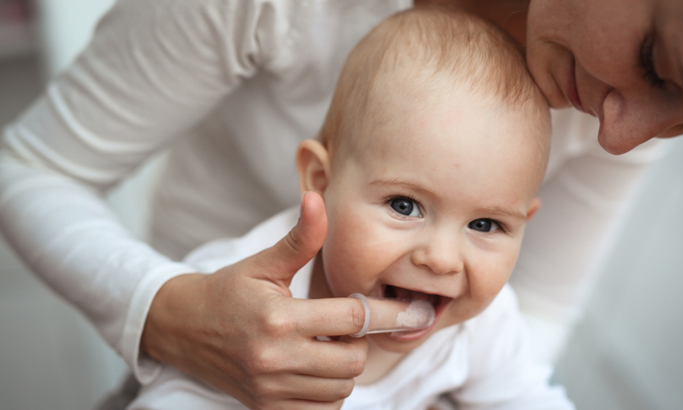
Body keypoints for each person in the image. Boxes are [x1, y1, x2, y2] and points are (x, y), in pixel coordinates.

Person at [0, 0, 683, 409]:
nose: (623, 139)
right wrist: (169, 314)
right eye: (657, 62)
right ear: (314, 179)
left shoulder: (480, 326)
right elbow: (29, 168)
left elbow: (528, 341)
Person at [127, 9, 574, 409]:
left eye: (485, 224)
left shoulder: (484, 327)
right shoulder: (240, 298)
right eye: (405, 205)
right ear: (321, 182)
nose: (440, 258)